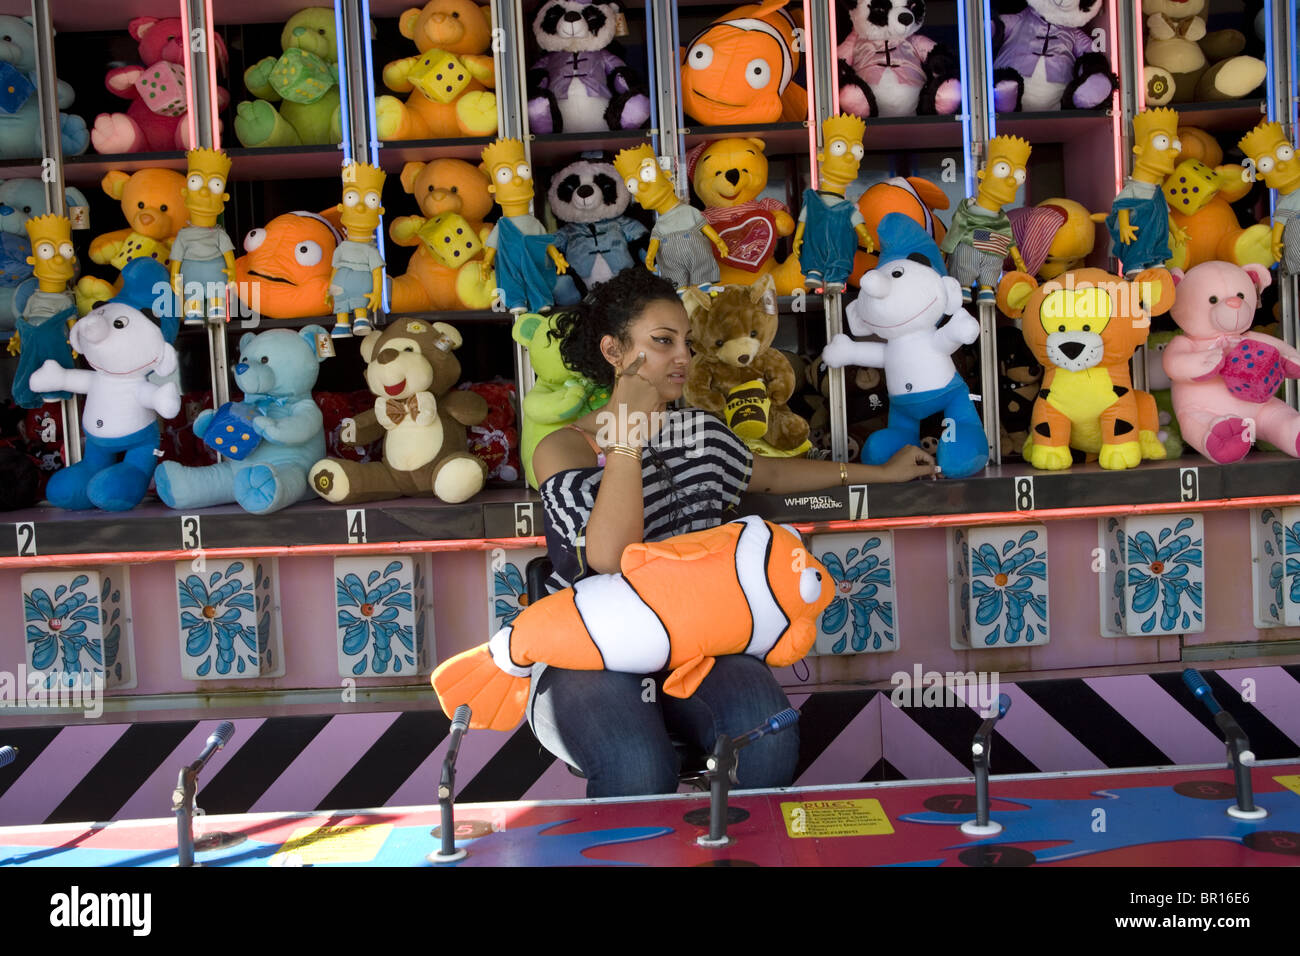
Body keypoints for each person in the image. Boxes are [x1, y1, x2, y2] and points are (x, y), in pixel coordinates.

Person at [529, 267, 937, 798]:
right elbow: (610, 557)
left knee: (767, 738)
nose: (683, 357)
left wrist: (880, 474)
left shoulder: (701, 433)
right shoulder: (566, 447)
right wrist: (624, 438)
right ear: (613, 352)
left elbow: (772, 474)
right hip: (589, 650)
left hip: (698, 641)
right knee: (637, 766)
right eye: (662, 341)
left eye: (687, 343)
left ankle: (720, 837)